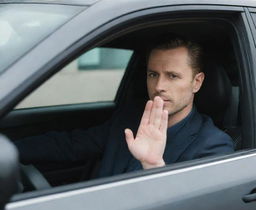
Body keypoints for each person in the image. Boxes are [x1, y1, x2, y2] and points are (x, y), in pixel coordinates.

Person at [15, 36, 234, 178]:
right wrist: (10, 150)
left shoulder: (213, 146)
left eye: (173, 76)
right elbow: (70, 144)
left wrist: (154, 166)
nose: (159, 86)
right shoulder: (129, 119)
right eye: (153, 74)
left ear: (196, 82)